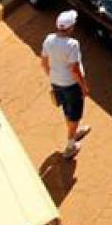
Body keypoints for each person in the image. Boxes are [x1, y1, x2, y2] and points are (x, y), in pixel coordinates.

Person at [40, 11, 91, 158]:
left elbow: (43, 63)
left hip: (57, 82)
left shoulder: (49, 39)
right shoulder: (72, 44)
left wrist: (54, 76)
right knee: (74, 114)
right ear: (70, 27)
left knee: (68, 110)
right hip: (71, 85)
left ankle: (74, 131)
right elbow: (75, 69)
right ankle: (70, 145)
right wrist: (84, 87)